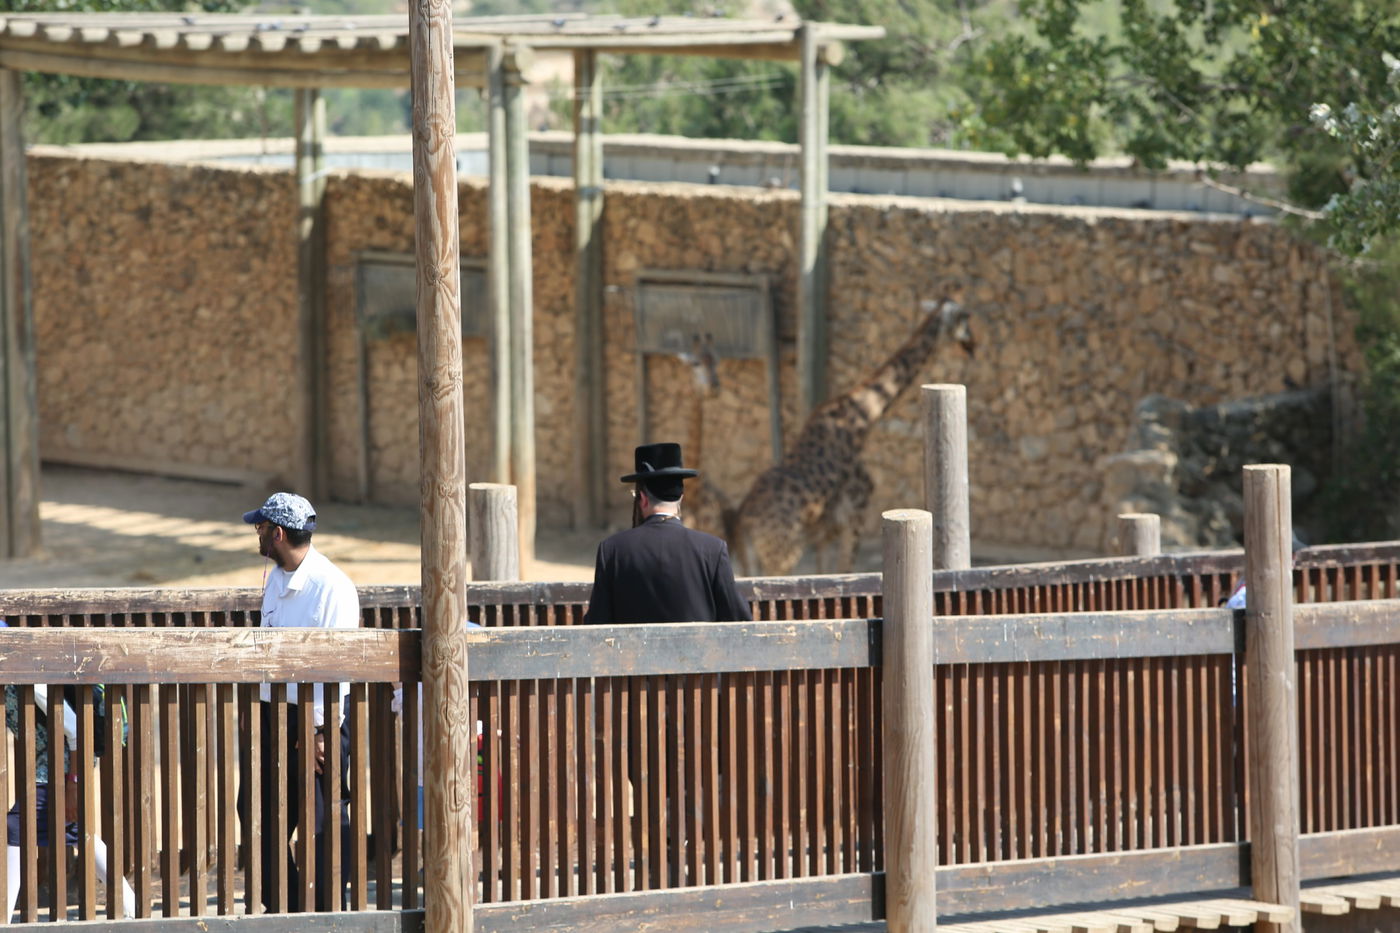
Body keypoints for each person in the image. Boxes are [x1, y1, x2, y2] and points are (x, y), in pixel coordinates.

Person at [237, 492, 357, 912]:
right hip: (276, 712)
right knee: (258, 810)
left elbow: (337, 665)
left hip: (321, 715)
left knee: (323, 816)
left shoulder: (332, 587)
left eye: (261, 527)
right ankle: (283, 906)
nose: (257, 533)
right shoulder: (275, 578)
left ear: (278, 534)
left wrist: (320, 729)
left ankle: (328, 910)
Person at [584, 442, 751, 625]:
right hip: (697, 645)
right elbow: (739, 618)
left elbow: (596, 623)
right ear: (681, 498)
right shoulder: (713, 549)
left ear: (643, 499)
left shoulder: (612, 550)